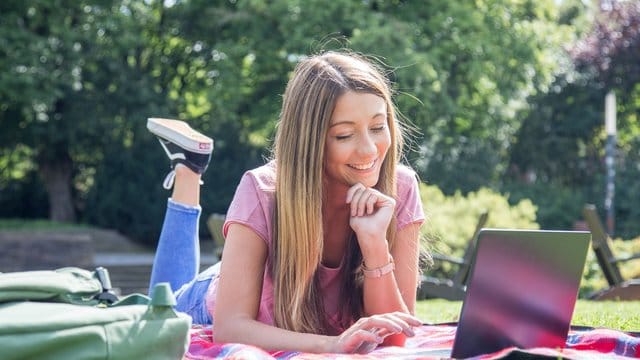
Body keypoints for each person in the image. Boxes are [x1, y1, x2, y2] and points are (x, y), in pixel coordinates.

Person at [147, 51, 426, 354]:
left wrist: (374, 246)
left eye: (377, 126)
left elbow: (397, 339)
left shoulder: (402, 188)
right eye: (344, 135)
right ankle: (189, 170)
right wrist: (332, 345)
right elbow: (230, 327)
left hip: (250, 280)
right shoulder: (262, 190)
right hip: (210, 300)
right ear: (309, 140)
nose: (369, 149)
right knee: (158, 310)